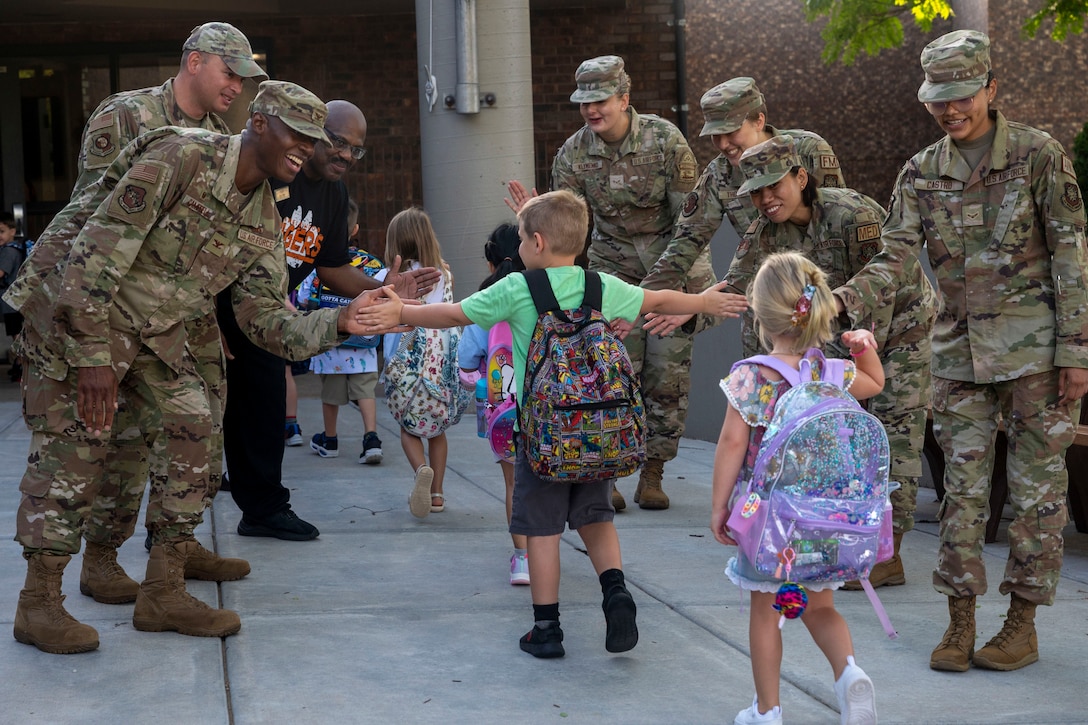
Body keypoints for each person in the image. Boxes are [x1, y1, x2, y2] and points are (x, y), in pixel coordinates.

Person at [4, 81, 385, 654]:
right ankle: (37, 603)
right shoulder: (182, 155)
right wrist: (92, 358)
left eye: (314, 140)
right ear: (259, 123)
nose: (306, 149)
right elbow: (93, 254)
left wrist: (344, 321)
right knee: (74, 450)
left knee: (194, 430)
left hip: (158, 328)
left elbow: (265, 321)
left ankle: (164, 591)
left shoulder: (262, 218)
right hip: (81, 311)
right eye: (298, 135)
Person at [356, 189, 747, 658]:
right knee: (597, 519)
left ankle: (546, 629)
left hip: (541, 438)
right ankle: (616, 593)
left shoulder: (517, 287)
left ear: (536, 242)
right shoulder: (601, 285)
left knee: (541, 530)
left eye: (520, 236)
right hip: (598, 432)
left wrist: (400, 311)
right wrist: (703, 302)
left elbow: (453, 314)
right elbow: (657, 298)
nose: (518, 245)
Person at [834, 30, 1088, 673]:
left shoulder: (1038, 154)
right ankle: (959, 624)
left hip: (1037, 358)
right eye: (938, 99)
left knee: (1037, 495)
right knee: (963, 494)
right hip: (957, 357)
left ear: (990, 89)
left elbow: (1070, 254)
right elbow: (893, 255)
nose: (951, 110)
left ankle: (1021, 626)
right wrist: (842, 302)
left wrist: (1077, 350)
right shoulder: (921, 171)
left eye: (962, 96)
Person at [8, 22, 269, 586]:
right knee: (92, 438)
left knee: (191, 425)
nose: (237, 88)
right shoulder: (125, 114)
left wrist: (197, 311)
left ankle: (173, 541)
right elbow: (94, 228)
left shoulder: (223, 134)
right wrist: (92, 341)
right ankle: (81, 572)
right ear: (195, 61)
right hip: (95, 303)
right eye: (230, 73)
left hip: (161, 313)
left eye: (245, 79)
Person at [720, 135, 936, 590]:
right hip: (831, 334)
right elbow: (738, 284)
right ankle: (836, 530)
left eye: (773, 186)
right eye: (755, 191)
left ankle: (887, 550)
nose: (765, 199)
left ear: (801, 177)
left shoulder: (852, 215)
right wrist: (680, 306)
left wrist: (839, 343)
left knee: (894, 427)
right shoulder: (765, 229)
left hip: (898, 325)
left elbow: (888, 276)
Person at [219, 100, 440, 541]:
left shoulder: (334, 196)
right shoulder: (276, 173)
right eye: (338, 142)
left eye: (355, 150)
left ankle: (262, 509)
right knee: (200, 415)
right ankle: (170, 528)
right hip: (222, 304)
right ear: (313, 133)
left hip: (268, 317)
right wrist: (212, 314)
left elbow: (331, 266)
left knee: (262, 410)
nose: (345, 155)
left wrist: (382, 285)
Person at [507, 55, 712, 512]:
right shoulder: (573, 154)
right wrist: (535, 217)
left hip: (671, 272)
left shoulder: (664, 141)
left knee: (666, 378)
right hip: (611, 275)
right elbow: (565, 228)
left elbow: (690, 225)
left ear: (624, 97)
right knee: (612, 373)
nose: (591, 110)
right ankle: (610, 469)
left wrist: (676, 293)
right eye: (584, 102)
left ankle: (654, 473)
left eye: (600, 100)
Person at [712, 252, 882, 725]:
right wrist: (861, 344)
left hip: (770, 524)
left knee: (768, 610)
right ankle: (850, 675)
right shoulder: (832, 372)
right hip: (822, 521)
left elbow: (731, 443)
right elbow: (876, 381)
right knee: (818, 605)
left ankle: (767, 711)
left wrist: (717, 507)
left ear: (761, 316)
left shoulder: (751, 375)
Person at [642, 76, 846, 353]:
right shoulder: (719, 175)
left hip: (822, 297)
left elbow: (835, 224)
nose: (724, 143)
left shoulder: (808, 151)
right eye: (716, 134)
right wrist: (641, 299)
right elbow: (684, 245)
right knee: (765, 386)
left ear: (758, 121)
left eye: (731, 131)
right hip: (766, 304)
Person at [457, 222, 530, 584]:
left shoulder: (486, 302)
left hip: (503, 411)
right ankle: (548, 548)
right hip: (549, 407)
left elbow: (467, 357)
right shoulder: (545, 295)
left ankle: (523, 559)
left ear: (493, 264)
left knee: (513, 485)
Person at [382, 207, 461, 518]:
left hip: (407, 364)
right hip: (439, 366)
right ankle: (438, 494)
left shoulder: (391, 278)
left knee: (408, 427)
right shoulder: (445, 272)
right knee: (437, 431)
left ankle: (420, 471)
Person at [301, 219, 386, 465]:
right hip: (364, 337)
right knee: (365, 390)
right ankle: (371, 438)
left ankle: (330, 439)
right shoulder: (372, 264)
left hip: (331, 339)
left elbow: (307, 298)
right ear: (356, 229)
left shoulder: (320, 263)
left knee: (331, 391)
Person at [0, 211, 25, 382]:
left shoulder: (8, 252)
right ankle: (19, 363)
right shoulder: (14, 249)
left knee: (17, 336)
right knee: (16, 334)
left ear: (12, 231)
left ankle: (22, 365)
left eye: (1, 231)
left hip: (12, 302)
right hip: (15, 300)